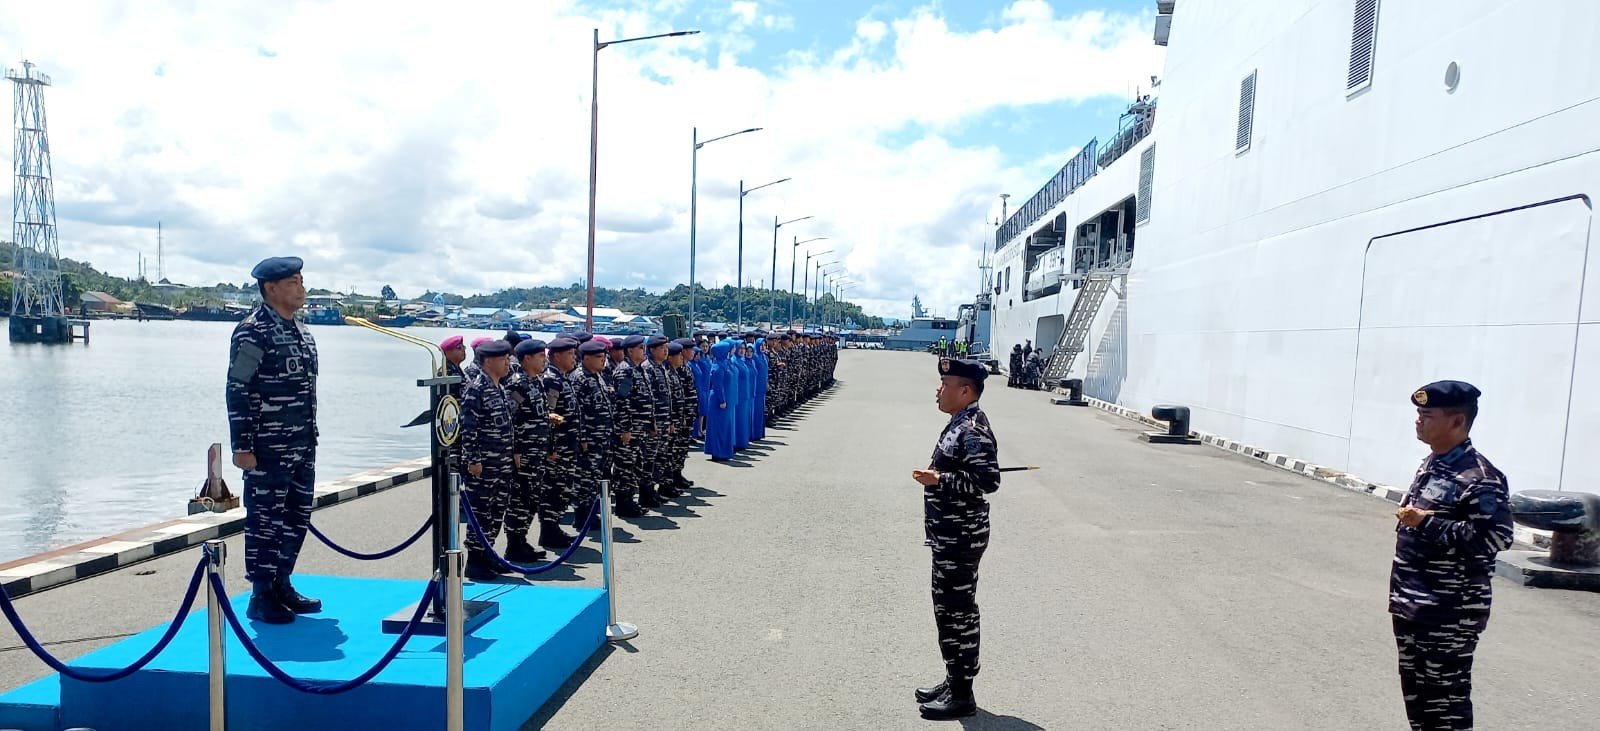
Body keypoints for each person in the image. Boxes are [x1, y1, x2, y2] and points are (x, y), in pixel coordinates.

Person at [1391, 380, 1513, 731]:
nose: (1418, 421)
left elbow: (1497, 537)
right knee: (1420, 700)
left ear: (1457, 421)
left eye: (1427, 415)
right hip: (1414, 603)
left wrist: (1427, 525)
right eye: (1418, 414)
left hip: (1449, 612)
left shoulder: (1479, 477)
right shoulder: (1435, 462)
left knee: (1446, 702)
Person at [226, 256, 322, 624]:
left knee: (296, 516)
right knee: (265, 520)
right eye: (293, 282)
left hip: (301, 444)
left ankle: (282, 582)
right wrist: (242, 446)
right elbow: (238, 388)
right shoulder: (254, 331)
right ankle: (261, 592)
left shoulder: (301, 330)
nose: (301, 287)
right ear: (271, 288)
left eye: (301, 280)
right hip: (267, 448)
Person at [909, 357, 1000, 720]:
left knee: (957, 613)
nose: (938, 390)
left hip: (961, 537)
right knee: (947, 611)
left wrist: (940, 480)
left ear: (965, 391)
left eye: (945, 385)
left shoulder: (973, 429)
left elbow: (988, 481)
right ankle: (954, 678)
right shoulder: (960, 422)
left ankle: (963, 694)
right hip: (950, 535)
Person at [459, 339, 520, 581]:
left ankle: (488, 554)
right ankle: (475, 561)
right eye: (503, 360)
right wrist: (473, 459)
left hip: (502, 464)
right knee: (481, 512)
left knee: (497, 511)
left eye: (508, 358)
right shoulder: (477, 388)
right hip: (483, 466)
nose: (508, 363)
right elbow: (468, 428)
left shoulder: (500, 389)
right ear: (488, 361)